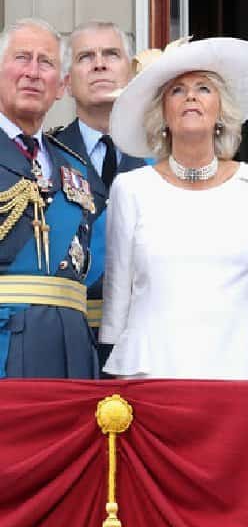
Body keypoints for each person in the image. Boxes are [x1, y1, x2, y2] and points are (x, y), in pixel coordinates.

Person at [100, 37, 248, 379]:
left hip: (239, 368)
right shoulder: (131, 188)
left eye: (203, 88)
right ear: (162, 113)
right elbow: (118, 298)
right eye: (177, 90)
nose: (190, 96)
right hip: (153, 372)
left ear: (221, 109)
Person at [0, 18, 99, 378]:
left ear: (61, 86)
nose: (33, 72)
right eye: (21, 58)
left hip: (70, 348)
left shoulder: (74, 167)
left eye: (46, 63)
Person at [54, 21, 145, 371]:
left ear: (132, 73)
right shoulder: (45, 156)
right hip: (69, 339)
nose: (99, 64)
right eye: (85, 57)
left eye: (111, 54)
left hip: (144, 343)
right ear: (66, 82)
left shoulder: (164, 159)